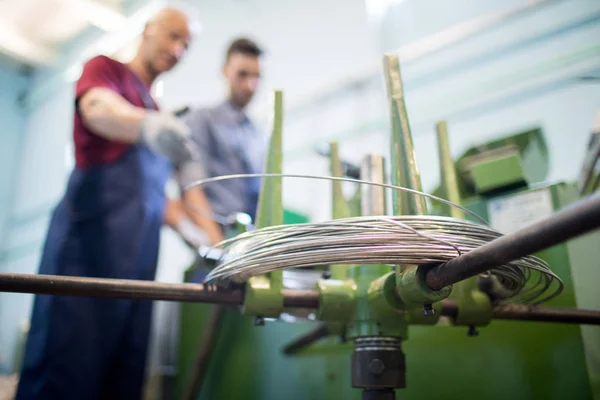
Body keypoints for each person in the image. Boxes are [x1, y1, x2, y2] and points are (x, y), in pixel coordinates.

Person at [16, 8, 222, 400]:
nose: (178, 49)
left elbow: (173, 206)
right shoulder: (106, 71)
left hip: (136, 278)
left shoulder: (164, 120)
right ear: (147, 31)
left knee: (122, 381)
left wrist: (220, 251)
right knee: (63, 375)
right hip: (83, 265)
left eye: (186, 45)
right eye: (172, 36)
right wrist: (145, 126)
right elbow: (98, 110)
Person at [165, 38, 265, 234]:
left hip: (249, 244)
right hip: (217, 240)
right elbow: (191, 190)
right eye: (242, 75)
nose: (250, 85)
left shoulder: (257, 134)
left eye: (256, 76)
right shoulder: (201, 121)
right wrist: (219, 247)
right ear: (225, 72)